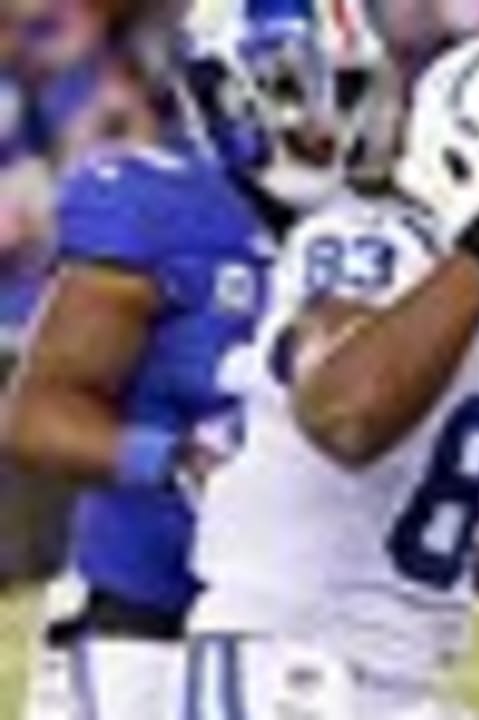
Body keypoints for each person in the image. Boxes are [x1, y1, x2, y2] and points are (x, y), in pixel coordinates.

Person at [182, 30, 479, 719]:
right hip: (288, 672)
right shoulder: (369, 241)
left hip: (392, 685)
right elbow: (346, 412)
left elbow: (461, 539)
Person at [0, 0, 386, 716]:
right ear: (224, 87)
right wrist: (177, 462)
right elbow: (34, 415)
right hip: (141, 632)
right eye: (295, 90)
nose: (326, 123)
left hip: (303, 634)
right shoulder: (156, 207)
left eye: (348, 91)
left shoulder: (376, 236)